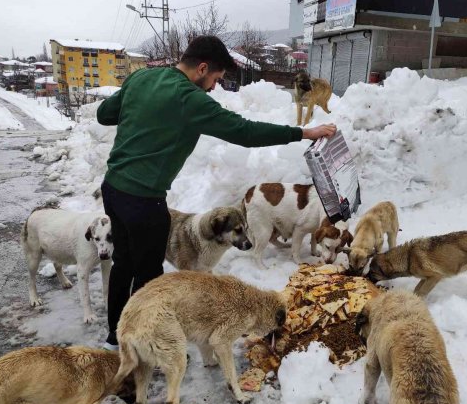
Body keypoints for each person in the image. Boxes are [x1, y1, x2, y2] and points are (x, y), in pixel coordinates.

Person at [96, 35, 336, 350]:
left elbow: (104, 115)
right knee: (150, 281)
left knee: (124, 263)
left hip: (113, 190)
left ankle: (115, 338)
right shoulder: (190, 99)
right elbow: (245, 132)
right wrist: (303, 132)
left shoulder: (142, 77)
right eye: (215, 80)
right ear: (203, 68)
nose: (213, 88)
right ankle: (140, 347)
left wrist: (142, 110)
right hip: (144, 202)